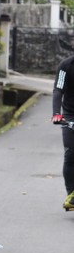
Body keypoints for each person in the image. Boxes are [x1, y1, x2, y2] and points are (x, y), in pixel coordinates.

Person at [52, 55, 74, 210]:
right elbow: (58, 89)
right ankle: (71, 194)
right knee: (71, 153)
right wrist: (56, 114)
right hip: (70, 115)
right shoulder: (66, 66)